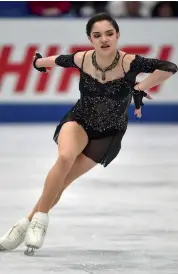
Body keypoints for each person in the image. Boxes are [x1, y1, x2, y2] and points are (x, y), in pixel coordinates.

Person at [0, 12, 177, 256]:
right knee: (64, 158)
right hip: (79, 122)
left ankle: (23, 225)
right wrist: (37, 63)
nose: (104, 39)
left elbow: (169, 67)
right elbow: (55, 60)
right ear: (90, 39)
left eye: (109, 34)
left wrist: (140, 86)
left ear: (117, 36)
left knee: (64, 180)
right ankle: (40, 223)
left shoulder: (131, 63)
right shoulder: (82, 59)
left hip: (107, 134)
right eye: (97, 35)